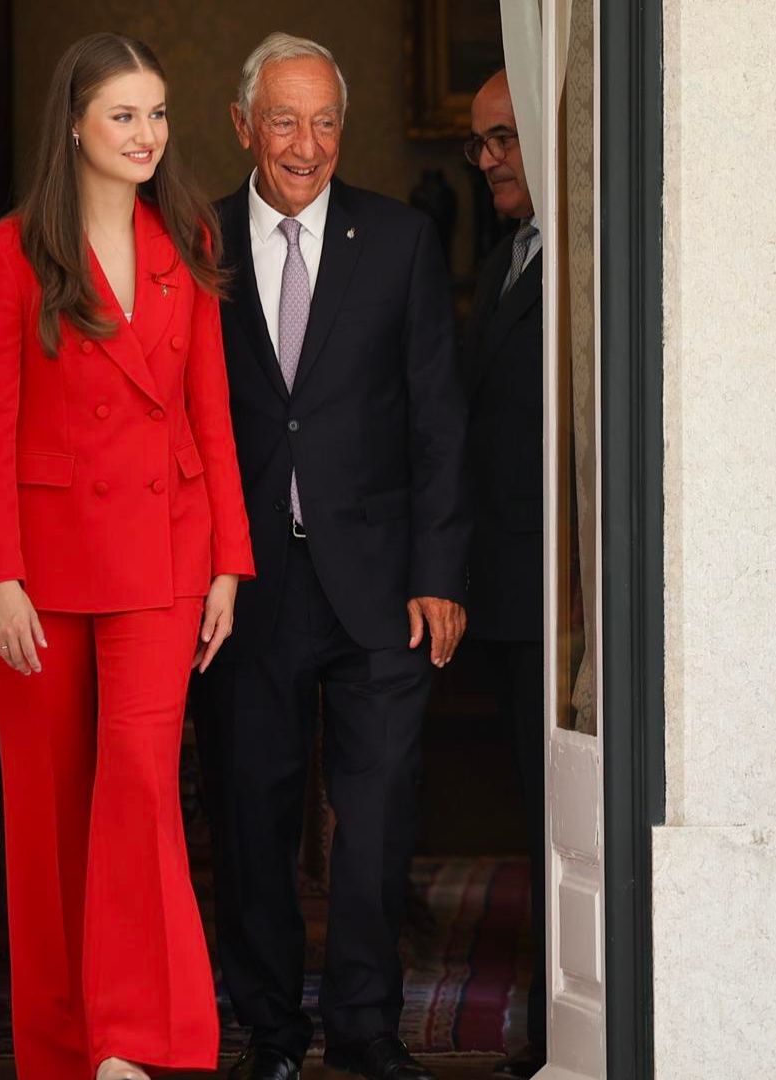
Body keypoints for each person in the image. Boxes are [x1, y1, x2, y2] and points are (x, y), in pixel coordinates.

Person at [0, 33, 252, 1080]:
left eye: (158, 114)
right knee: (47, 814)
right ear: (74, 124)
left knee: (137, 779)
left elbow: (210, 410)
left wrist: (227, 561)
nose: (147, 135)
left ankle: (133, 1040)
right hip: (39, 570)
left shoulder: (187, 236)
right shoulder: (7, 253)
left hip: (164, 558)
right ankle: (60, 1049)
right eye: (125, 114)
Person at [193, 32, 469, 1080]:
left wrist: (440, 572)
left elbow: (437, 420)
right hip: (243, 583)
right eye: (282, 120)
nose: (305, 146)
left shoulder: (395, 242)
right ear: (242, 124)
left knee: (377, 812)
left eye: (323, 123)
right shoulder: (195, 243)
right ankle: (269, 1029)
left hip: (383, 585)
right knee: (251, 812)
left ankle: (364, 1025)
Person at [459, 69, 547, 1080]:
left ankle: (564, 1023)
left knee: (552, 811)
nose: (484, 160)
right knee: (535, 804)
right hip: (508, 586)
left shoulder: (582, 257)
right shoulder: (503, 262)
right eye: (480, 142)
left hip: (557, 592)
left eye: (503, 140)